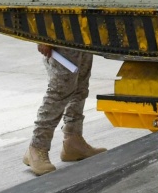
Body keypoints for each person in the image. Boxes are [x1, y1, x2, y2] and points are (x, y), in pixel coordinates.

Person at [23, 44, 106, 175]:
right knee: (60, 90)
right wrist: (43, 39)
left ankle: (73, 140)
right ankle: (37, 146)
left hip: (83, 37)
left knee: (80, 88)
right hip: (59, 38)